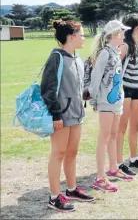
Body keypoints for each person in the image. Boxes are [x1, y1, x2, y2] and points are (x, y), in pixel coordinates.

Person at [41, 20, 94, 212]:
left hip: (77, 114)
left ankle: (71, 189)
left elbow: (78, 87)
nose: (84, 38)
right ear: (71, 37)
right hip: (61, 115)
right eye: (81, 35)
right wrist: (56, 115)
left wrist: (88, 93)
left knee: (72, 153)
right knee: (59, 154)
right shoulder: (56, 57)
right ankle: (54, 197)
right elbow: (48, 89)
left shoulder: (78, 58)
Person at [89, 20, 133, 193]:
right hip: (106, 102)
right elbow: (96, 76)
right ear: (115, 34)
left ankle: (113, 168)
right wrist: (94, 98)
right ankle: (100, 177)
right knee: (104, 137)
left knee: (113, 135)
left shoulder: (115, 52)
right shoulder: (105, 53)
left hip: (116, 101)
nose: (123, 35)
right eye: (122, 32)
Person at [117, 13, 138, 174]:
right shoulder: (125, 46)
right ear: (137, 28)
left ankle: (134, 158)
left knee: (135, 125)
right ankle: (118, 162)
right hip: (125, 90)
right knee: (121, 127)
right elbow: (116, 69)